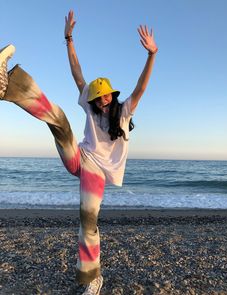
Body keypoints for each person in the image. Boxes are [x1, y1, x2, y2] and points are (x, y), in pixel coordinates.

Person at [0, 9, 157, 295]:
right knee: (59, 120)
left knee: (88, 221)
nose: (102, 100)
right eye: (98, 97)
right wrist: (69, 37)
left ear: (112, 94)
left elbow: (142, 87)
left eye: (106, 95)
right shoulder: (90, 106)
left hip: (97, 172)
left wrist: (151, 55)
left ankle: (92, 278)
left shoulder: (123, 112)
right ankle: (6, 84)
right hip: (79, 158)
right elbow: (76, 72)